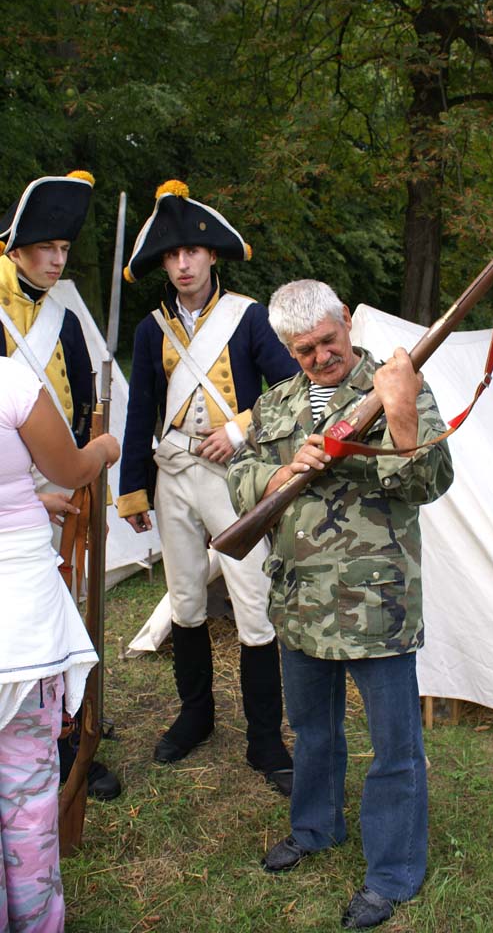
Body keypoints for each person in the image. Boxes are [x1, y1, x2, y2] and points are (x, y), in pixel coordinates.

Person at [227, 279, 454, 930]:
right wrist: (278, 472)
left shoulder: (395, 384)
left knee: (393, 748)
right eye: (303, 351)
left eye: (328, 341)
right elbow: (238, 477)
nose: (320, 357)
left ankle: (391, 873)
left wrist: (401, 410)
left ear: (346, 323)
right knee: (314, 731)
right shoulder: (274, 403)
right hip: (299, 601)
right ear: (286, 349)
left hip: (375, 602)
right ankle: (314, 827)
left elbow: (429, 481)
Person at [117, 180, 299, 794]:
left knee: (253, 603)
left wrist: (241, 428)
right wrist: (133, 490)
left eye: (192, 252)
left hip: (233, 477)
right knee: (186, 598)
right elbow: (141, 410)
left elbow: (289, 390)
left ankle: (265, 737)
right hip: (171, 475)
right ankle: (196, 715)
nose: (183, 263)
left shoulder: (247, 318)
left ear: (212, 255)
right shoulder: (151, 331)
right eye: (171, 256)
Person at [0, 170, 122, 803]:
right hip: (13, 492)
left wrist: (80, 475)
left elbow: (79, 405)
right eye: (44, 248)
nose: (55, 261)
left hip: (62, 480)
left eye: (64, 251)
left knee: (71, 610)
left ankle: (71, 731)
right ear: (14, 247)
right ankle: (45, 744)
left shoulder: (64, 318)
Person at [0, 355, 119, 932]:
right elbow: (71, 469)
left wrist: (22, 500)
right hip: (18, 625)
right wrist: (104, 449)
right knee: (25, 800)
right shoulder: (11, 382)